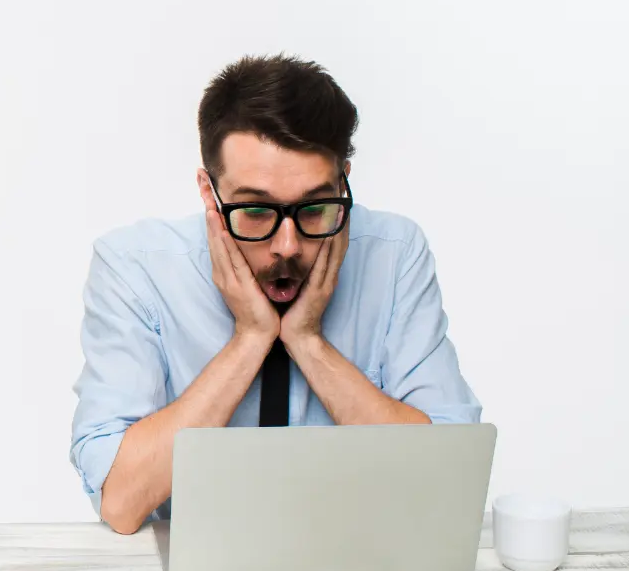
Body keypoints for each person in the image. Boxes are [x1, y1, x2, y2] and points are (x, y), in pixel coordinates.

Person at [70, 54, 480, 534]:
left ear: (344, 180)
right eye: (256, 210)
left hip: (363, 566)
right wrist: (251, 338)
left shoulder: (395, 254)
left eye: (315, 208)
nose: (287, 246)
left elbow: (449, 476)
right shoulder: (135, 267)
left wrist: (307, 341)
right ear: (209, 191)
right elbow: (120, 500)